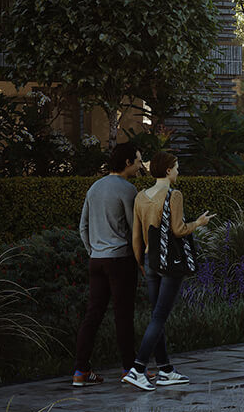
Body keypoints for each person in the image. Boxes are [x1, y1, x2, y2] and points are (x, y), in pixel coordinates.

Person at [123, 151, 212, 391]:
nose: (178, 172)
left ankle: (165, 369)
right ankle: (138, 369)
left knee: (156, 316)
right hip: (170, 263)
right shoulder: (174, 195)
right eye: (177, 167)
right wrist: (199, 223)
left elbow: (136, 236)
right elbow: (178, 230)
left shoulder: (141, 196)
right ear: (168, 170)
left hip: (150, 261)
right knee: (159, 317)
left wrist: (141, 263)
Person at [73, 142, 144, 387]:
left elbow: (82, 226)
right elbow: (135, 230)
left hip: (97, 260)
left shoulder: (94, 187)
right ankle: (129, 369)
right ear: (127, 163)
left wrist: (93, 250)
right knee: (123, 315)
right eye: (137, 161)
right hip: (120, 259)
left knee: (92, 315)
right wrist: (141, 260)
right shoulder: (127, 190)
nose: (139, 166)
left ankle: (81, 371)